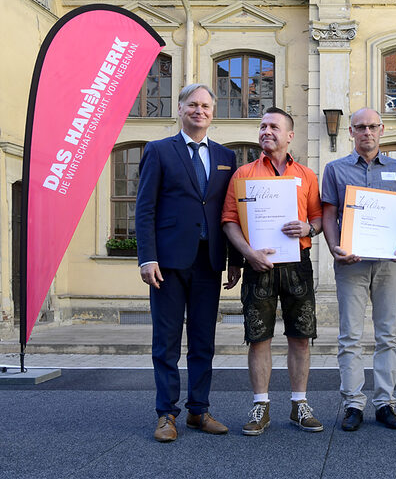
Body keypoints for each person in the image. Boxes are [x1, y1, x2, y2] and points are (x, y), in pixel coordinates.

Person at [136, 83, 241, 443]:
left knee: (202, 340)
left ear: (213, 112)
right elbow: (144, 208)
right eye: (192, 104)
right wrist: (146, 257)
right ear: (179, 109)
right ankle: (166, 413)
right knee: (165, 340)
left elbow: (232, 213)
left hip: (208, 261)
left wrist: (234, 260)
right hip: (166, 262)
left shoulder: (227, 156)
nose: (200, 111)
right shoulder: (159, 151)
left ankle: (199, 410)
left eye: (206, 106)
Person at [221, 107, 324, 436]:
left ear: (289, 135)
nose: (266, 131)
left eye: (274, 126)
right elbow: (229, 221)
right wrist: (247, 255)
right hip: (258, 264)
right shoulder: (243, 174)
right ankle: (261, 405)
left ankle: (299, 404)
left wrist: (308, 225)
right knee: (258, 339)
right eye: (262, 125)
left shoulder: (306, 175)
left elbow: (319, 220)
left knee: (301, 338)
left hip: (297, 265)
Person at [321, 108, 396, 431]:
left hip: (389, 262)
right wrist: (335, 248)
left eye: (373, 127)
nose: (367, 132)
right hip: (351, 263)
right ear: (350, 131)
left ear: (382, 130)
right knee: (350, 335)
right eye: (360, 127)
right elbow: (328, 215)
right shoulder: (335, 169)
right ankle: (353, 403)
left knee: (387, 334)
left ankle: (385, 402)